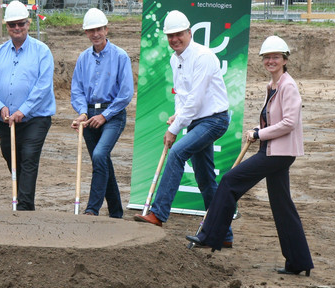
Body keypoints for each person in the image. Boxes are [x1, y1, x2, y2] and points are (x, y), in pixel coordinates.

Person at [186, 36, 314, 276]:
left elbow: (289, 123)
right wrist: (261, 134)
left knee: (230, 181)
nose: (270, 61)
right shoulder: (272, 85)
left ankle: (210, 236)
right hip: (272, 150)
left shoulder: (288, 86)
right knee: (282, 205)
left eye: (275, 57)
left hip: (279, 152)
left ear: (285, 59)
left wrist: (259, 133)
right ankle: (298, 262)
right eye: (267, 57)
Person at [133, 10, 234, 246]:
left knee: (177, 152)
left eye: (178, 34)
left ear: (189, 32)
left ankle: (158, 214)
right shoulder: (174, 59)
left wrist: (175, 129)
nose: (174, 39)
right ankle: (224, 234)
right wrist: (179, 116)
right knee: (205, 178)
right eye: (170, 36)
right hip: (197, 120)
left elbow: (196, 99)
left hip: (214, 120)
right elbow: (181, 95)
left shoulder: (203, 57)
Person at [0, 0, 55, 211]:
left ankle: (23, 206)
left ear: (28, 24)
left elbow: (43, 87)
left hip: (35, 118)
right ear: (7, 27)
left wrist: (23, 110)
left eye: (21, 23)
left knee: (29, 157)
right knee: (11, 156)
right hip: (5, 119)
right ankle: (25, 198)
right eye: (12, 24)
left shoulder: (42, 51)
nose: (17, 28)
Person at [70, 8, 133, 218]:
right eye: (91, 30)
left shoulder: (120, 56)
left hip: (112, 116)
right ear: (86, 33)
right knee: (102, 161)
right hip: (89, 116)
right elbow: (77, 90)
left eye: (99, 29)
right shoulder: (82, 58)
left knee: (99, 155)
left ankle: (92, 209)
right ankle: (116, 212)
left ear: (106, 29)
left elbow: (125, 94)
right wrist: (82, 113)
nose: (95, 34)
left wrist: (105, 116)